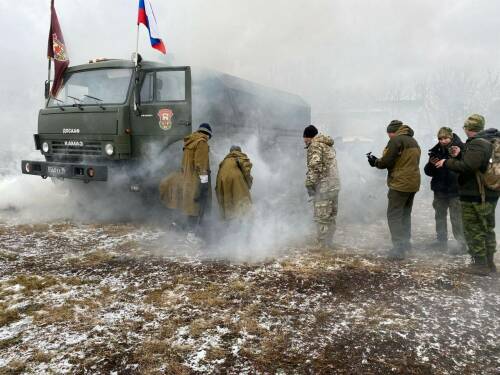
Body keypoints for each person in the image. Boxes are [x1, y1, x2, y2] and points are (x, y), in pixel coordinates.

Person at [434, 114, 499, 275]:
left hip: (476, 194)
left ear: (469, 128)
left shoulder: (478, 143)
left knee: (473, 229)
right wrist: (460, 155)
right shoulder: (491, 141)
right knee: (487, 228)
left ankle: (480, 265)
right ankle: (489, 264)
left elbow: (468, 166)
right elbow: (477, 163)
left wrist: (447, 162)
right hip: (488, 192)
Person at [367, 120, 421, 260]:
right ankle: (406, 243)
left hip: (400, 183)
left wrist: (375, 162)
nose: (389, 136)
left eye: (389, 133)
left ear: (393, 131)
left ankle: (398, 248)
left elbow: (386, 162)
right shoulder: (413, 140)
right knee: (405, 214)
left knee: (394, 215)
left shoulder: (396, 140)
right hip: (413, 183)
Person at [424, 127, 466, 253]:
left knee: (457, 218)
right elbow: (428, 172)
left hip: (456, 189)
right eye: (440, 138)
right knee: (439, 216)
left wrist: (449, 161)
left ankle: (461, 244)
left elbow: (466, 166)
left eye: (445, 138)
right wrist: (431, 164)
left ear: (451, 137)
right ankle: (441, 241)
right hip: (440, 189)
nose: (442, 141)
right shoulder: (436, 150)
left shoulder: (461, 149)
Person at [303, 125, 340, 247]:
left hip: (323, 187)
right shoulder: (327, 145)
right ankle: (329, 242)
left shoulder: (315, 146)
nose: (304, 141)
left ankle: (322, 245)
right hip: (334, 185)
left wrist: (309, 184)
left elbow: (315, 166)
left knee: (322, 216)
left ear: (308, 137)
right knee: (331, 216)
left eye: (305, 138)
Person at [181, 123, 212, 232]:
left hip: (187, 181)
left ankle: (190, 234)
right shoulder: (201, 143)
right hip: (196, 182)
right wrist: (204, 183)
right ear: (207, 134)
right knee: (199, 207)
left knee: (191, 208)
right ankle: (196, 235)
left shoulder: (189, 143)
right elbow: (201, 165)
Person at [215, 145, 253, 220]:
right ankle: (245, 224)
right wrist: (249, 183)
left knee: (229, 206)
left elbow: (217, 180)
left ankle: (229, 225)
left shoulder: (223, 162)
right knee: (243, 205)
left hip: (221, 181)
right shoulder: (240, 157)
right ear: (239, 151)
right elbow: (246, 171)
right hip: (236, 180)